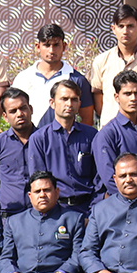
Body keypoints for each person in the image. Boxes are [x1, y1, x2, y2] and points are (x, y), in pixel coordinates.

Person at [27, 80, 99, 215]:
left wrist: (95, 210)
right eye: (64, 99)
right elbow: (38, 180)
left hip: (88, 209)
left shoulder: (92, 136)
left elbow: (98, 178)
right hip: (56, 211)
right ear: (52, 103)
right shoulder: (39, 138)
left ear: (79, 104)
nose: (69, 104)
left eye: (74, 100)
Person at [10, 23, 95, 127]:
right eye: (46, 45)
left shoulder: (76, 79)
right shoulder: (23, 78)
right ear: (38, 47)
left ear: (64, 46)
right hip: (29, 137)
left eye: (56, 45)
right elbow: (12, 112)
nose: (51, 50)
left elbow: (87, 119)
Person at [93, 70, 137, 197]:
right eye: (127, 94)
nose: (133, 98)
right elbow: (109, 178)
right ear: (117, 97)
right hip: (123, 203)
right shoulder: (107, 134)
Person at [0, 88, 37, 218]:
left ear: (31, 109)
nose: (20, 114)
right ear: (5, 117)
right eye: (13, 111)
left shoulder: (46, 140)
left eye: (23, 108)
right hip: (8, 216)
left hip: (41, 215)